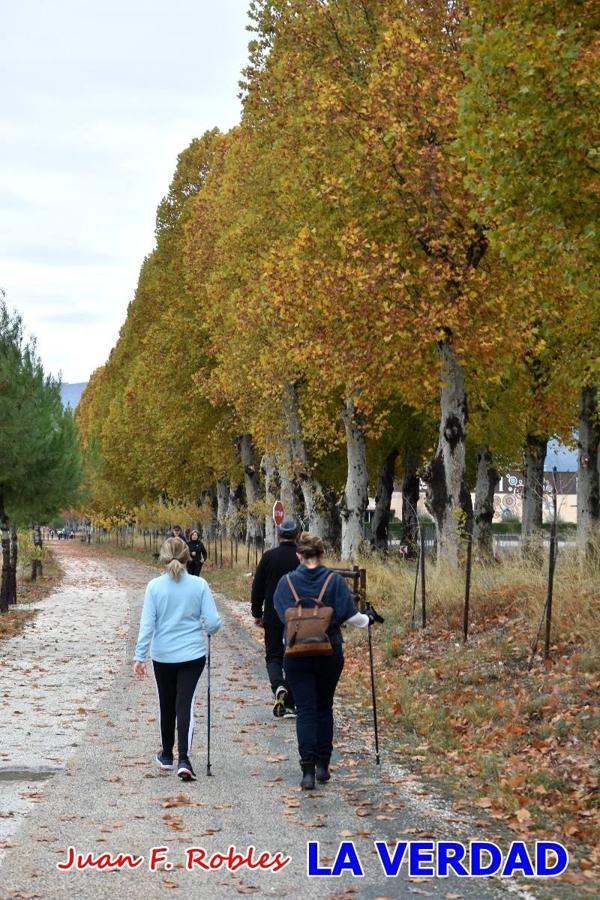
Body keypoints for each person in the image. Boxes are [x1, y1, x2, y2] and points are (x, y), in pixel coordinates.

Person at [273, 532, 382, 790]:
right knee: (324, 707)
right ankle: (323, 764)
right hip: (329, 652)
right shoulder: (334, 581)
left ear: (299, 555)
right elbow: (353, 617)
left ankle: (307, 771)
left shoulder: (285, 583)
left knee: (305, 710)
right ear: (322, 555)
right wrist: (369, 619)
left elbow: (280, 616)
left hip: (296, 654)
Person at [133, 537, 222, 781]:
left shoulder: (154, 587)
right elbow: (213, 623)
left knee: (166, 703)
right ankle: (184, 758)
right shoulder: (199, 585)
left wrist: (139, 656)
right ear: (187, 556)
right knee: (185, 703)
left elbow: (147, 624)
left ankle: (167, 756)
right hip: (192, 654)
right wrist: (210, 627)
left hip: (163, 655)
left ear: (163, 558)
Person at [251, 517, 300, 718]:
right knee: (294, 654)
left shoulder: (268, 557)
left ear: (279, 535)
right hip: (297, 615)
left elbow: (257, 587)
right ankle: (290, 700)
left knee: (273, 655)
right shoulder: (300, 558)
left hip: (272, 614)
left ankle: (278, 685)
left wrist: (257, 613)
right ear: (297, 535)